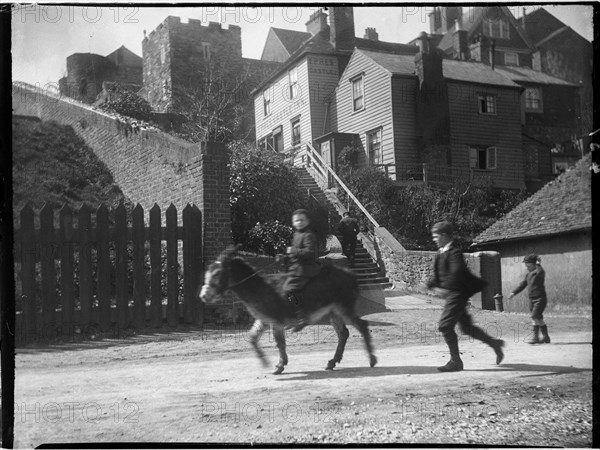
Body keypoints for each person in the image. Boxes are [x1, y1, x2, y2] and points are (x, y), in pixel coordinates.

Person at [426, 221, 505, 372]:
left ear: (444, 235)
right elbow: (437, 277)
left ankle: (455, 361)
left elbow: (457, 273)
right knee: (467, 329)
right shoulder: (440, 254)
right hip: (452, 296)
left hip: (457, 295)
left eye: (436, 236)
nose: (434, 239)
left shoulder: (455, 252)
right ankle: (495, 344)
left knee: (444, 326)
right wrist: (430, 285)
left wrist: (445, 288)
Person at [282, 209, 320, 331]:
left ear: (307, 221)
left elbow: (310, 252)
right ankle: (292, 317)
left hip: (306, 269)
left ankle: (301, 317)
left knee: (289, 289)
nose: (299, 222)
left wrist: (294, 251)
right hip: (297, 269)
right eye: (296, 220)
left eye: (302, 220)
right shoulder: (296, 234)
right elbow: (295, 253)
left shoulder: (308, 235)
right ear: (293, 222)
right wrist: (285, 256)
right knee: (283, 288)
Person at [507, 254, 551, 344]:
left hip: (540, 299)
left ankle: (540, 337)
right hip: (531, 300)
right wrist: (513, 292)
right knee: (537, 318)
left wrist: (538, 263)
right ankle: (542, 337)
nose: (527, 267)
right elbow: (522, 285)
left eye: (529, 265)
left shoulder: (539, 272)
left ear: (535, 264)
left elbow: (540, 270)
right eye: (526, 265)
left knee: (534, 316)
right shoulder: (528, 275)